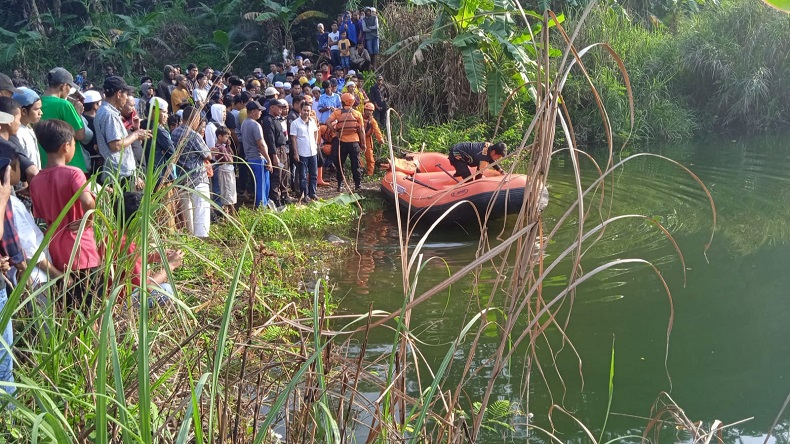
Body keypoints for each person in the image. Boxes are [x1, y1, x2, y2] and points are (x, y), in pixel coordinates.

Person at [31, 119, 101, 307]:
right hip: (81, 250)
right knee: (90, 310)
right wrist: (88, 220)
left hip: (56, 254)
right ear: (66, 146)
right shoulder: (73, 173)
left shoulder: (36, 181)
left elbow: (40, 215)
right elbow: (87, 201)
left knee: (67, 311)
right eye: (74, 144)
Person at [116, 191, 184, 307]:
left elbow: (125, 264)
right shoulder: (128, 245)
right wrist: (170, 266)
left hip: (110, 295)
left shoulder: (113, 236)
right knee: (167, 289)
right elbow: (145, 287)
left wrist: (152, 257)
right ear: (140, 219)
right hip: (123, 301)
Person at [95, 76, 151, 188]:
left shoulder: (103, 111)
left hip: (117, 174)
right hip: (120, 175)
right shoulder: (110, 115)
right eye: (126, 94)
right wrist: (135, 135)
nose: (126, 99)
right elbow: (115, 145)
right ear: (119, 94)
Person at [171, 106, 212, 238]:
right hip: (197, 178)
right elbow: (208, 155)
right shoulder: (194, 135)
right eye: (198, 120)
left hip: (182, 178)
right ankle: (201, 240)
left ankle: (190, 240)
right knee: (201, 212)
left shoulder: (174, 133)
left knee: (188, 214)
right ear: (194, 119)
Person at [40, 68, 89, 173]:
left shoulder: (37, 103)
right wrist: (78, 113)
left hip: (45, 163)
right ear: (63, 86)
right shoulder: (64, 105)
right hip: (71, 164)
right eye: (70, 87)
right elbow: (80, 135)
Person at [328, 93, 366, 192]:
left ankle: (340, 185)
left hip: (342, 142)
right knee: (356, 164)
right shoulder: (357, 114)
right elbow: (361, 130)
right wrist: (364, 143)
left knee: (340, 164)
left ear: (342, 101)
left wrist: (335, 132)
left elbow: (328, 122)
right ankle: (358, 185)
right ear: (353, 102)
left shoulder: (338, 112)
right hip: (354, 142)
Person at [240, 101, 272, 208]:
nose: (261, 113)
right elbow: (261, 145)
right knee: (261, 185)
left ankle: (264, 205)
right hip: (258, 158)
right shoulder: (255, 125)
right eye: (259, 111)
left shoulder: (244, 123)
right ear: (253, 112)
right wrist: (269, 160)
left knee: (261, 184)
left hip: (250, 158)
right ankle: (261, 208)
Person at [263, 99, 292, 206]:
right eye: (279, 107)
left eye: (282, 108)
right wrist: (274, 156)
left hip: (283, 149)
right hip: (275, 151)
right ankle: (275, 198)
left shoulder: (277, 120)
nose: (281, 110)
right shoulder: (267, 120)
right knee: (277, 174)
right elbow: (270, 140)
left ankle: (285, 194)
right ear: (272, 107)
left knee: (284, 173)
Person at [290, 101, 320, 202]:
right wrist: (295, 153)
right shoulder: (295, 123)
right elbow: (293, 139)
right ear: (301, 110)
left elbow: (316, 132)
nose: (307, 112)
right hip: (302, 153)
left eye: (308, 110)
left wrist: (315, 144)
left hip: (312, 152)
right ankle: (305, 194)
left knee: (314, 174)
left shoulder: (312, 121)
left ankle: (313, 193)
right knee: (303, 175)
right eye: (305, 110)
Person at [11, 87, 43, 168]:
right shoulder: (17, 133)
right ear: (24, 111)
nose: (41, 113)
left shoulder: (28, 128)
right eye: (36, 109)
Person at [212, 126, 237, 214]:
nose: (227, 139)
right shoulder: (220, 148)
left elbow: (232, 155)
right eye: (226, 136)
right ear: (220, 136)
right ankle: (231, 214)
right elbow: (230, 159)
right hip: (225, 171)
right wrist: (227, 149)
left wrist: (228, 146)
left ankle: (230, 214)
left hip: (228, 170)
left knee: (229, 192)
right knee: (228, 192)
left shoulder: (224, 147)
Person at [362, 102, 384, 176]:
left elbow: (377, 130)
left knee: (369, 157)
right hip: (358, 138)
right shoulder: (359, 117)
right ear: (364, 110)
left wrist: (380, 139)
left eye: (371, 111)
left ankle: (369, 174)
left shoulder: (373, 121)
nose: (369, 112)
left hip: (367, 139)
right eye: (367, 110)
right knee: (357, 156)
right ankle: (360, 170)